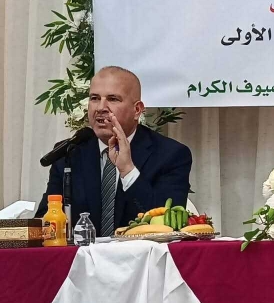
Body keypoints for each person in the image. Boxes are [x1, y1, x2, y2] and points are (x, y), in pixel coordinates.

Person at [36, 66, 192, 236]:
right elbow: (45, 220)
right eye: (94, 98)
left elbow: (169, 225)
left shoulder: (171, 155)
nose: (100, 107)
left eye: (112, 99)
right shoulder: (71, 152)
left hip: (141, 252)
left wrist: (128, 171)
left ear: (137, 110)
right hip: (82, 252)